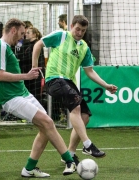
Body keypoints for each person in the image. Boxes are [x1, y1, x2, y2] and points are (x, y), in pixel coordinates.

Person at [0, 18, 76, 178]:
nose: (21, 37)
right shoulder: (0, 47)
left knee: (46, 127)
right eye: (21, 34)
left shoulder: (4, 47)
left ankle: (29, 169)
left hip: (22, 94)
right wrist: (27, 76)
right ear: (13, 30)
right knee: (48, 123)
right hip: (12, 98)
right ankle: (70, 160)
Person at [32, 15, 118, 165]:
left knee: (85, 115)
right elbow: (38, 44)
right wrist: (34, 66)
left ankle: (71, 153)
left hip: (69, 83)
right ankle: (88, 145)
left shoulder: (84, 47)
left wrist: (105, 85)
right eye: (77, 29)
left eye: (83, 31)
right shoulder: (61, 35)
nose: (79, 33)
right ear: (71, 26)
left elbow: (89, 71)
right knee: (76, 107)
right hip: (55, 79)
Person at [19, 27, 45, 107]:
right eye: (25, 33)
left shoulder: (37, 44)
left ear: (34, 34)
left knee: (35, 94)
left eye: (28, 33)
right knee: (28, 93)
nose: (26, 34)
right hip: (27, 73)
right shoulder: (26, 44)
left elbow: (29, 58)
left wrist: (20, 59)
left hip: (36, 74)